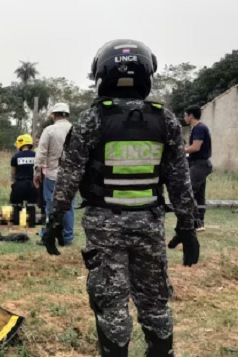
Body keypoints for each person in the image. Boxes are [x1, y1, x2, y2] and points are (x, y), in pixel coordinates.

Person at [42, 39, 200, 357]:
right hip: (150, 226)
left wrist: (55, 221)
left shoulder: (92, 119)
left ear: (102, 74)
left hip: (104, 227)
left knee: (110, 301)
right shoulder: (165, 120)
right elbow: (180, 182)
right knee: (154, 300)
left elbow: (68, 177)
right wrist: (188, 226)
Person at [34, 102, 75, 245]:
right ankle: (68, 237)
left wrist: (37, 172)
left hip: (53, 174)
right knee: (68, 206)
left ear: (53, 115)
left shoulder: (50, 130)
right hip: (71, 176)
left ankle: (47, 236)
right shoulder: (75, 129)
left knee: (50, 206)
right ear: (67, 114)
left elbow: (41, 154)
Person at [184, 105, 213, 232]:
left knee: (188, 192)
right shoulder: (198, 128)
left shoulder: (199, 128)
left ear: (190, 115)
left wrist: (181, 150)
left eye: (185, 115)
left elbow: (195, 147)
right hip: (201, 165)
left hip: (199, 165)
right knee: (200, 195)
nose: (184, 118)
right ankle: (200, 224)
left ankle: (192, 222)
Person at [10, 135, 38, 227]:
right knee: (31, 205)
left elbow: (13, 172)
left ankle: (16, 223)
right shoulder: (36, 155)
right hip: (32, 183)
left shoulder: (16, 157)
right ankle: (32, 224)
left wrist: (13, 182)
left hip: (19, 184)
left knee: (17, 205)